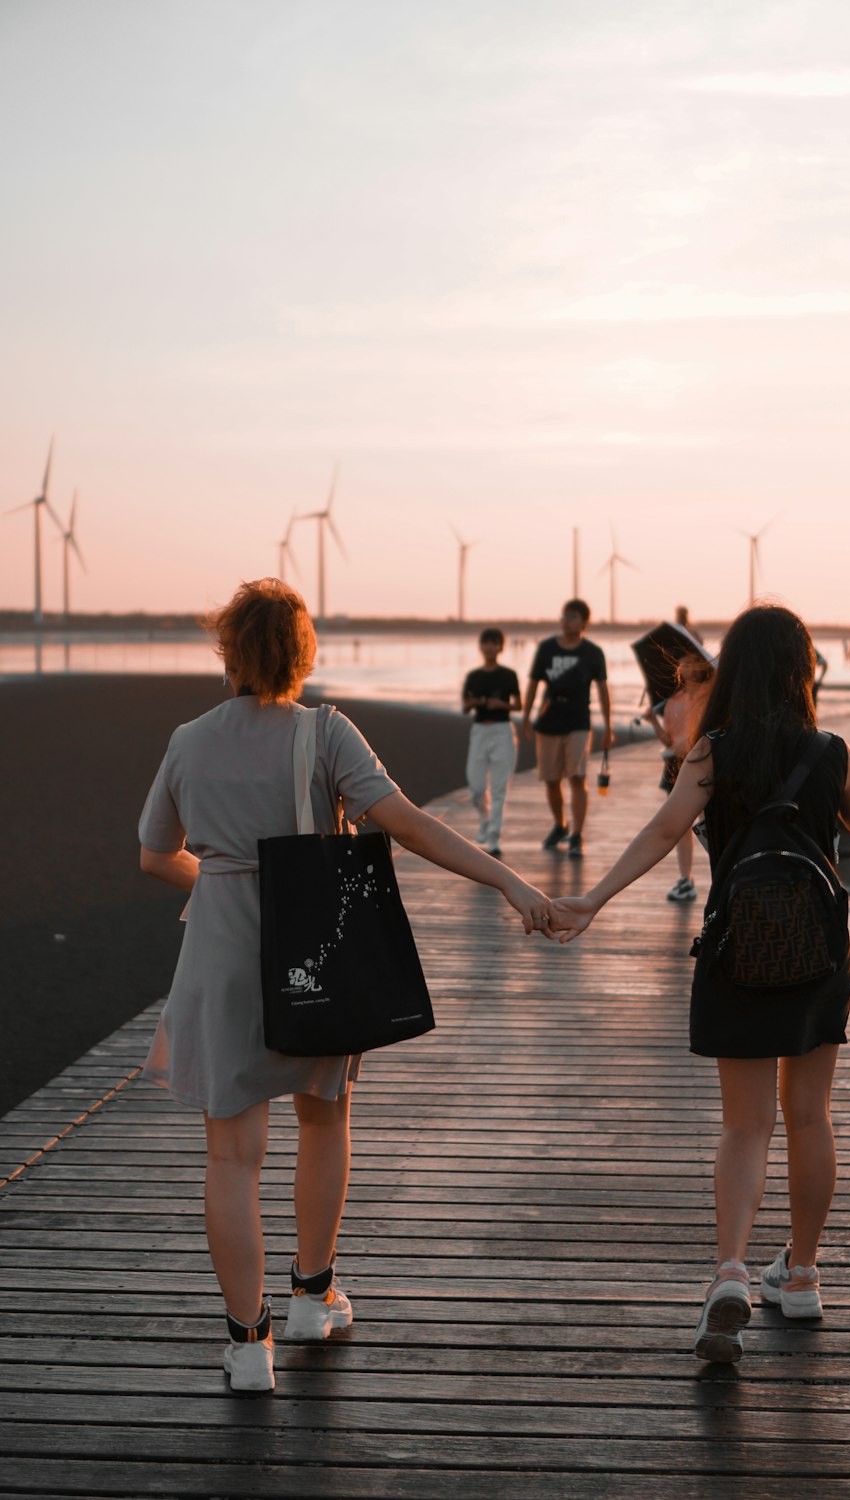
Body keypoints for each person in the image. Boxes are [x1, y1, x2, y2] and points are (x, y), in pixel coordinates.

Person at [138, 579, 556, 1393]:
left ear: (227, 650)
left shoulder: (188, 740)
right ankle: (310, 1295)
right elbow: (406, 823)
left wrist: (221, 888)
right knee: (324, 1119)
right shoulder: (326, 733)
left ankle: (248, 1346)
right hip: (314, 952)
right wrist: (509, 883)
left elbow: (156, 854)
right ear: (303, 653)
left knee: (231, 1154)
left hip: (219, 954)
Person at [550, 605, 850, 1365]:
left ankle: (731, 1268)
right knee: (809, 1115)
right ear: (803, 672)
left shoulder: (712, 752)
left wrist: (592, 899)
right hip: (819, 953)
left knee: (745, 1125)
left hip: (739, 947)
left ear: (732, 669)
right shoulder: (832, 751)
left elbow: (665, 830)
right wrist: (846, 783)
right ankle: (800, 1273)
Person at [521, 598, 613, 859]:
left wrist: (608, 726)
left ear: (584, 622)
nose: (567, 621)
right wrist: (526, 717)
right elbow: (533, 683)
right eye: (564, 616)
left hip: (578, 720)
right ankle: (560, 825)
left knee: (577, 776)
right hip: (549, 719)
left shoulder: (593, 653)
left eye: (572, 616)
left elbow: (603, 690)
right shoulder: (547, 648)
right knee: (551, 779)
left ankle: (577, 834)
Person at [647, 652, 714, 902]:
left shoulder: (711, 695)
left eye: (694, 661)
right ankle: (686, 878)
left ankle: (721, 874)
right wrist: (652, 720)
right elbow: (667, 739)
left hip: (705, 760)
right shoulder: (674, 700)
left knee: (710, 822)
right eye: (684, 662)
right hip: (676, 763)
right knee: (680, 824)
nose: (688, 667)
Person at [462, 627, 521, 859]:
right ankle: (485, 820)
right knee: (476, 787)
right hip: (479, 731)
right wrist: (476, 701)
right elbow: (466, 706)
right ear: (481, 646)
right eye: (486, 643)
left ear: (500, 647)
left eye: (494, 643)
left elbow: (519, 705)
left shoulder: (508, 675)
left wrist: (501, 705)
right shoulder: (473, 676)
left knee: (498, 788)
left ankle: (494, 837)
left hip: (502, 732)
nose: (489, 647)